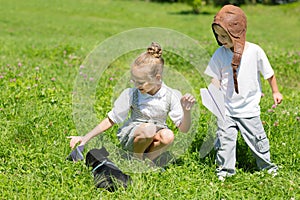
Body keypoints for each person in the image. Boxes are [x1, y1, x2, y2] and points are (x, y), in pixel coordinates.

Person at [68, 42, 195, 164]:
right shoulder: (132, 94)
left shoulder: (170, 95)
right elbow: (111, 119)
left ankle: (149, 161)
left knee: (168, 135)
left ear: (157, 78)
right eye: (134, 80)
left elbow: (183, 129)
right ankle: (137, 160)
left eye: (140, 82)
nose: (136, 85)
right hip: (134, 136)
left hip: (154, 133)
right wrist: (85, 138)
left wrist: (186, 111)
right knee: (148, 129)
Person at [204, 5, 283, 180]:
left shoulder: (255, 51)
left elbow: (269, 74)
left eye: (225, 36)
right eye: (218, 35)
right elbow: (214, 78)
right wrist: (214, 94)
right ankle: (225, 171)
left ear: (238, 33)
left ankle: (267, 166)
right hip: (227, 110)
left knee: (258, 140)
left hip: (249, 109)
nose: (221, 39)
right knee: (226, 142)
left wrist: (275, 92)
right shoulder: (220, 54)